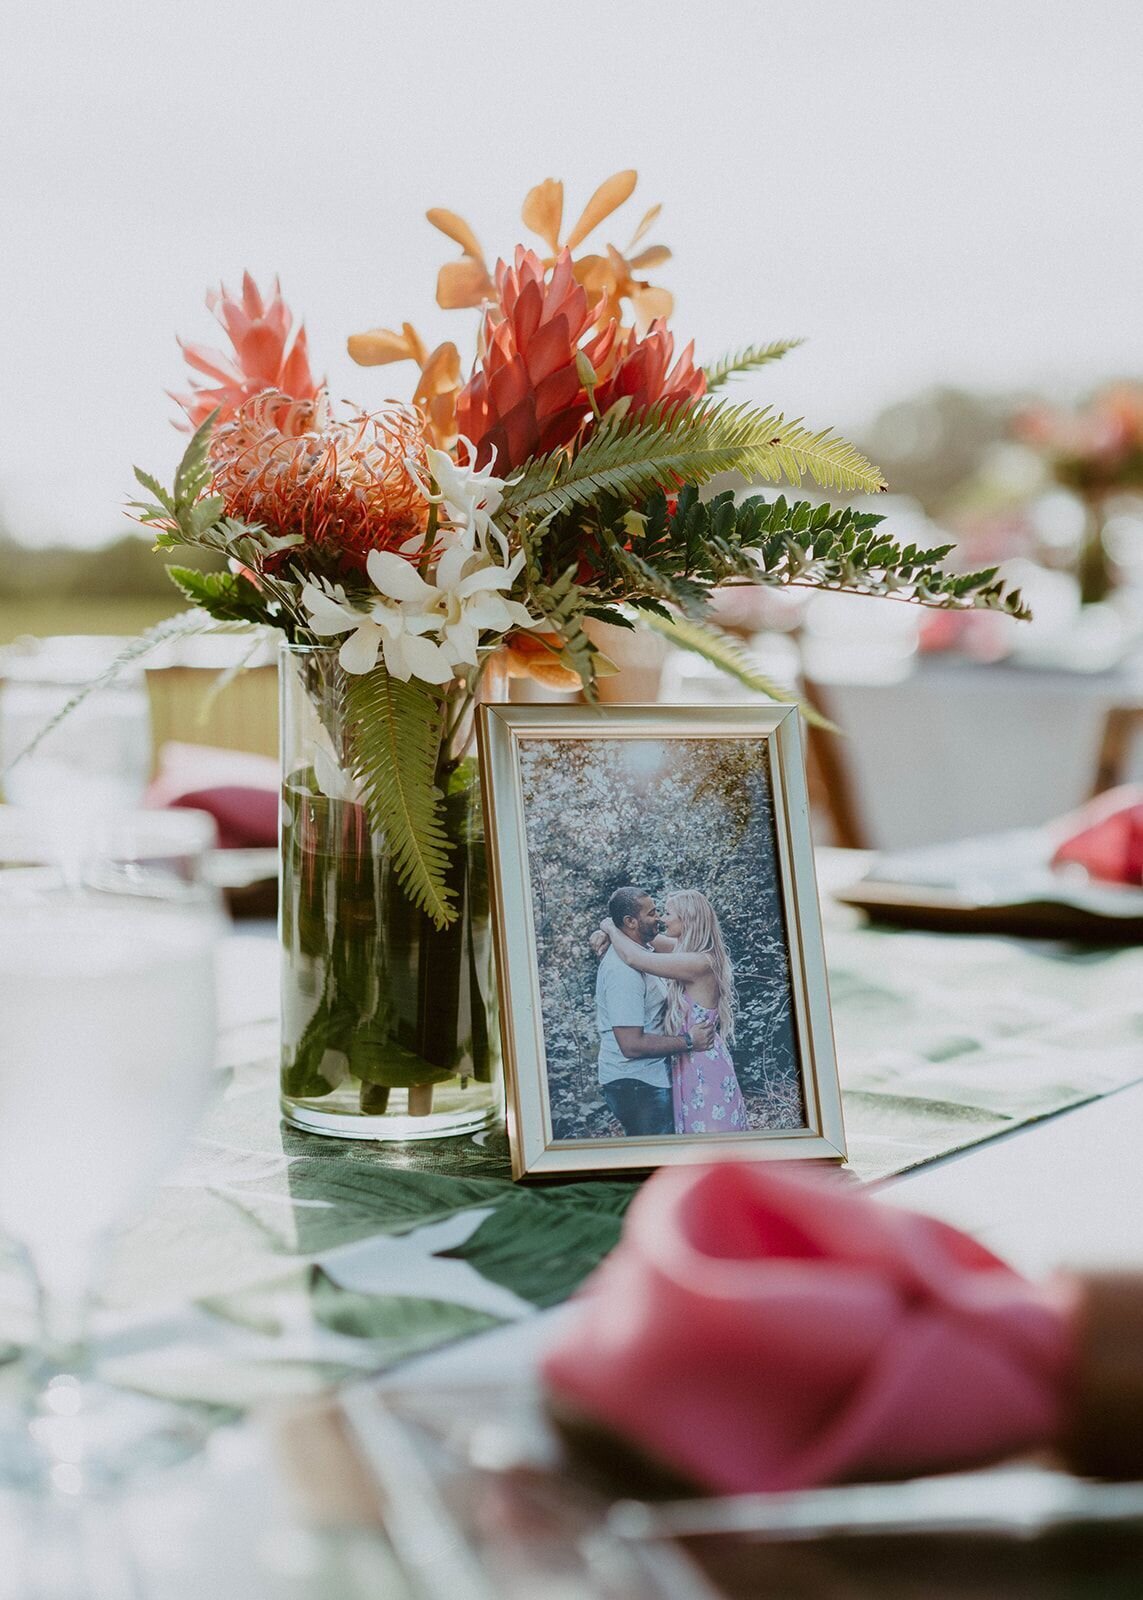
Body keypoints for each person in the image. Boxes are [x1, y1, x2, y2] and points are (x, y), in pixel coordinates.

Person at [601, 889, 748, 1134]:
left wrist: (608, 926)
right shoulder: (683, 950)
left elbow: (634, 956)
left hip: (702, 1062)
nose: (661, 919)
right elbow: (638, 936)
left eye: (668, 913)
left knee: (710, 1139)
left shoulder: (700, 962)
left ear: (687, 921)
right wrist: (607, 929)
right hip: (688, 1060)